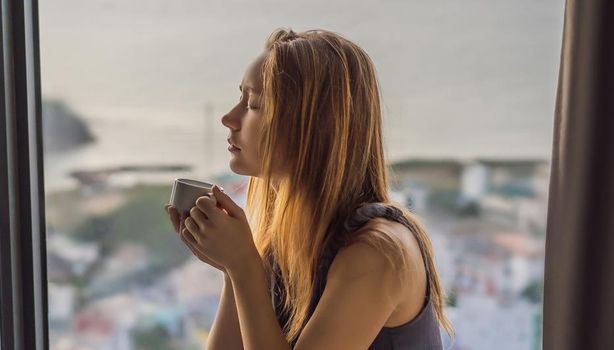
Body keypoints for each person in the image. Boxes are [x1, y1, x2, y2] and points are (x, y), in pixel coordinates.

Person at [164, 28, 452, 349]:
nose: (229, 118)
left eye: (254, 104)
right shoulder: (287, 240)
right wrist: (233, 269)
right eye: (241, 98)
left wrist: (244, 268)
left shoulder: (377, 253)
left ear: (312, 126)